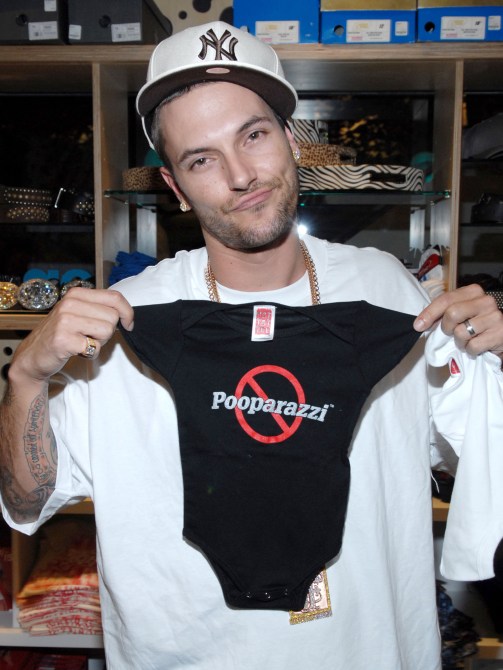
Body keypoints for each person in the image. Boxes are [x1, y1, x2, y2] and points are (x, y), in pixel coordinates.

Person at [1, 20, 503, 670]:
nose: (241, 175)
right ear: (176, 188)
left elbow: (474, 454)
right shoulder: (123, 322)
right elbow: (25, 501)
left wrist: (495, 358)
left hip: (372, 652)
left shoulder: (392, 295)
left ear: (291, 141)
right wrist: (26, 378)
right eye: (201, 159)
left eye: (254, 135)